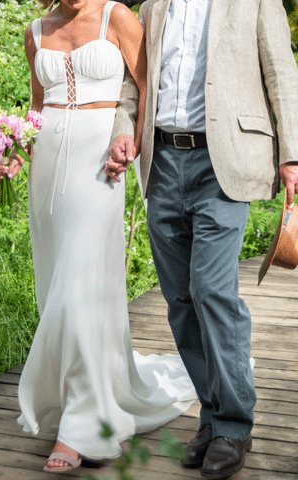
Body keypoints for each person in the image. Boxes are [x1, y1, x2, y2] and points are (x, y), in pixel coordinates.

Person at [0, 0, 197, 473]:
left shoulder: (118, 17)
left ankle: (83, 427)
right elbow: (37, 106)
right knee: (55, 288)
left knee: (78, 288)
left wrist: (135, 147)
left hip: (100, 164)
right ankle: (77, 397)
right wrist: (15, 151)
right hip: (47, 170)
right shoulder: (35, 30)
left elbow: (148, 90)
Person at [106, 0, 298, 479]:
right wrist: (123, 129)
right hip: (163, 162)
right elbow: (135, 83)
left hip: (223, 164)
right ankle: (212, 418)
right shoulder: (151, 8)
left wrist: (293, 155)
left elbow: (281, 73)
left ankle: (234, 425)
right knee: (179, 299)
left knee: (211, 289)